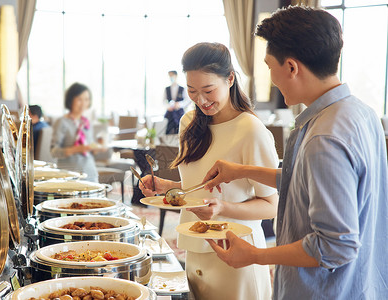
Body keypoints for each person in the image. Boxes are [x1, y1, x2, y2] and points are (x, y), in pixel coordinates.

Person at [203, 6, 388, 300]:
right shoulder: (361, 113)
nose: (271, 77)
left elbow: (336, 246)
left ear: (291, 67)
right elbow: (310, 181)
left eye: (268, 66)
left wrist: (255, 255)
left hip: (326, 291)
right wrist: (242, 171)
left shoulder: (323, 138)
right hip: (365, 284)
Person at [139, 43, 279, 300]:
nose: (201, 100)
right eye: (192, 91)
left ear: (230, 79)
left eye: (208, 90)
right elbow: (198, 189)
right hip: (194, 245)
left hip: (236, 252)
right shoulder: (189, 123)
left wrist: (222, 209)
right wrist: (164, 186)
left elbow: (272, 205)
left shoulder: (251, 130)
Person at [51, 83, 99, 182]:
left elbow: (90, 145)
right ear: (70, 100)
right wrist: (77, 149)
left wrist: (97, 147)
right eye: (79, 99)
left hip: (90, 173)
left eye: (86, 99)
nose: (83, 103)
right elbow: (54, 151)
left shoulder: (85, 122)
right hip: (70, 176)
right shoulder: (62, 122)